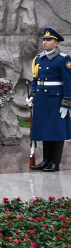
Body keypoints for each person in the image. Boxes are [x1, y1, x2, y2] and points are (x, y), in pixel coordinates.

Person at [29, 28, 71, 172]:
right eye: (44, 40)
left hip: (56, 100)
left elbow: (68, 82)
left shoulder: (63, 60)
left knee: (57, 131)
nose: (45, 42)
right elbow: (36, 79)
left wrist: (66, 103)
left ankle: (55, 162)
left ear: (56, 44)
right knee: (46, 130)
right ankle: (46, 160)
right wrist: (33, 95)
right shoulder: (39, 59)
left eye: (48, 40)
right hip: (42, 100)